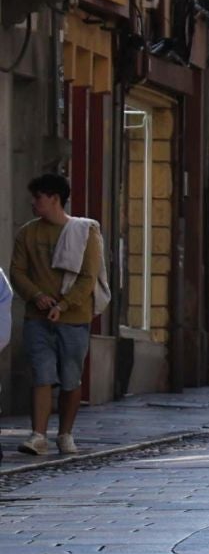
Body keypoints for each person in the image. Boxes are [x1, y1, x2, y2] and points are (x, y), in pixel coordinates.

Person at [10, 174, 105, 456]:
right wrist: (37, 296)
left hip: (74, 319)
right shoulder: (27, 233)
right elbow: (17, 271)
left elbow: (88, 278)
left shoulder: (84, 232)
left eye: (38, 197)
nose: (33, 202)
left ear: (54, 199)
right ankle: (38, 436)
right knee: (42, 374)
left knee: (70, 378)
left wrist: (63, 306)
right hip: (36, 318)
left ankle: (65, 434)